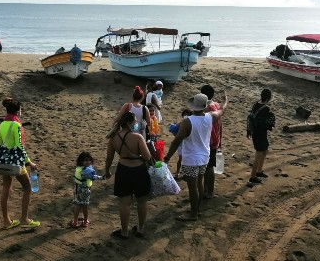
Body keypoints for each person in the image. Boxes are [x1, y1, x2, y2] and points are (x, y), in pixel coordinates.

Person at [164, 92, 228, 222]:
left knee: (192, 188)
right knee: (199, 184)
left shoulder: (187, 122)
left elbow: (177, 141)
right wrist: (225, 100)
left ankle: (194, 213)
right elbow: (222, 109)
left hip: (191, 158)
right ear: (205, 106)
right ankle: (196, 209)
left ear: (193, 106)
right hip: (204, 156)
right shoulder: (210, 117)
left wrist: (167, 157)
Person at [104, 111, 153, 239]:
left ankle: (124, 231)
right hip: (139, 170)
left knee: (125, 203)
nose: (136, 123)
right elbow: (148, 157)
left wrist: (107, 170)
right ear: (130, 123)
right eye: (135, 121)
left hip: (123, 170)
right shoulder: (137, 137)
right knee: (142, 201)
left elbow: (109, 158)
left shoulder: (113, 137)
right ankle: (140, 229)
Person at [0, 97, 41, 230]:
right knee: (27, 188)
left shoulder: (2, 124)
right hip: (16, 162)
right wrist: (30, 163)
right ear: (18, 111)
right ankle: (24, 219)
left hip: (4, 161)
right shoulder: (17, 125)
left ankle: (7, 221)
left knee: (6, 190)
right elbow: (19, 147)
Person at [70, 151, 107, 228]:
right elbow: (94, 177)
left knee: (77, 205)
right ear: (81, 161)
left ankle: (75, 221)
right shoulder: (87, 171)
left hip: (77, 188)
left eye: (89, 160)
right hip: (85, 191)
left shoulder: (79, 168)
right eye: (85, 160)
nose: (88, 162)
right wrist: (102, 177)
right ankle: (85, 221)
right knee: (84, 206)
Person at [247, 88, 275, 185]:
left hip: (255, 132)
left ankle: (259, 171)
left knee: (265, 151)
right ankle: (252, 177)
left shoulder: (256, 105)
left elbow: (251, 117)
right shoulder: (266, 109)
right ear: (269, 98)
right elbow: (264, 124)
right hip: (260, 134)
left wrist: (249, 130)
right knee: (259, 154)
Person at [201, 84, 223, 198]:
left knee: (208, 167)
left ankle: (209, 191)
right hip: (215, 140)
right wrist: (220, 141)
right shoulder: (216, 105)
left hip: (208, 141)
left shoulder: (206, 109)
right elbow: (220, 125)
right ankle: (207, 190)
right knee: (209, 167)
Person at [168, 108, 193, 178]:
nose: (186, 116)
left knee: (187, 159)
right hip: (181, 144)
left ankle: (185, 173)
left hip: (188, 144)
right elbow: (172, 130)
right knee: (181, 158)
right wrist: (180, 124)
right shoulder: (181, 124)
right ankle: (177, 172)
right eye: (185, 115)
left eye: (188, 115)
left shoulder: (191, 124)